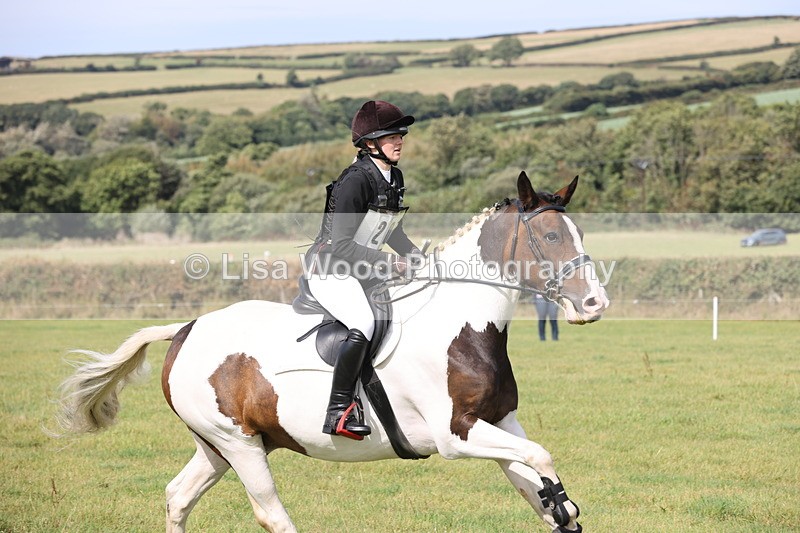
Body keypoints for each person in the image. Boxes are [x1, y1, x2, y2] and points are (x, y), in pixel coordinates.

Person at [306, 100, 420, 440]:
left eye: (400, 134)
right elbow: (341, 244)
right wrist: (390, 262)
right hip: (332, 268)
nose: (399, 140)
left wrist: (417, 255)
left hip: (362, 268)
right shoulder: (355, 180)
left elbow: (391, 231)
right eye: (390, 136)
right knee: (365, 322)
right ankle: (338, 409)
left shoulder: (393, 176)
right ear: (369, 143)